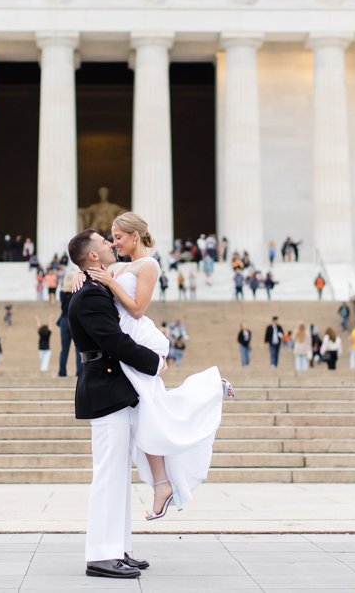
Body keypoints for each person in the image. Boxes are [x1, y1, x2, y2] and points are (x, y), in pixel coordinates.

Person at [73, 218, 229, 574]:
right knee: (109, 475)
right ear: (95, 255)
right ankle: (101, 554)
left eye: (116, 238)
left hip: (117, 388)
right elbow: (114, 341)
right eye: (106, 240)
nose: (113, 244)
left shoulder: (102, 283)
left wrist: (85, 274)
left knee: (121, 471)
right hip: (107, 390)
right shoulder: (93, 293)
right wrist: (154, 364)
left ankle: (117, 548)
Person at [57, 272, 82, 377]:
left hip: (64, 321)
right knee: (78, 349)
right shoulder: (76, 290)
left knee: (64, 349)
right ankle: (79, 372)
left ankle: (62, 372)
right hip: (74, 320)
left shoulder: (62, 293)